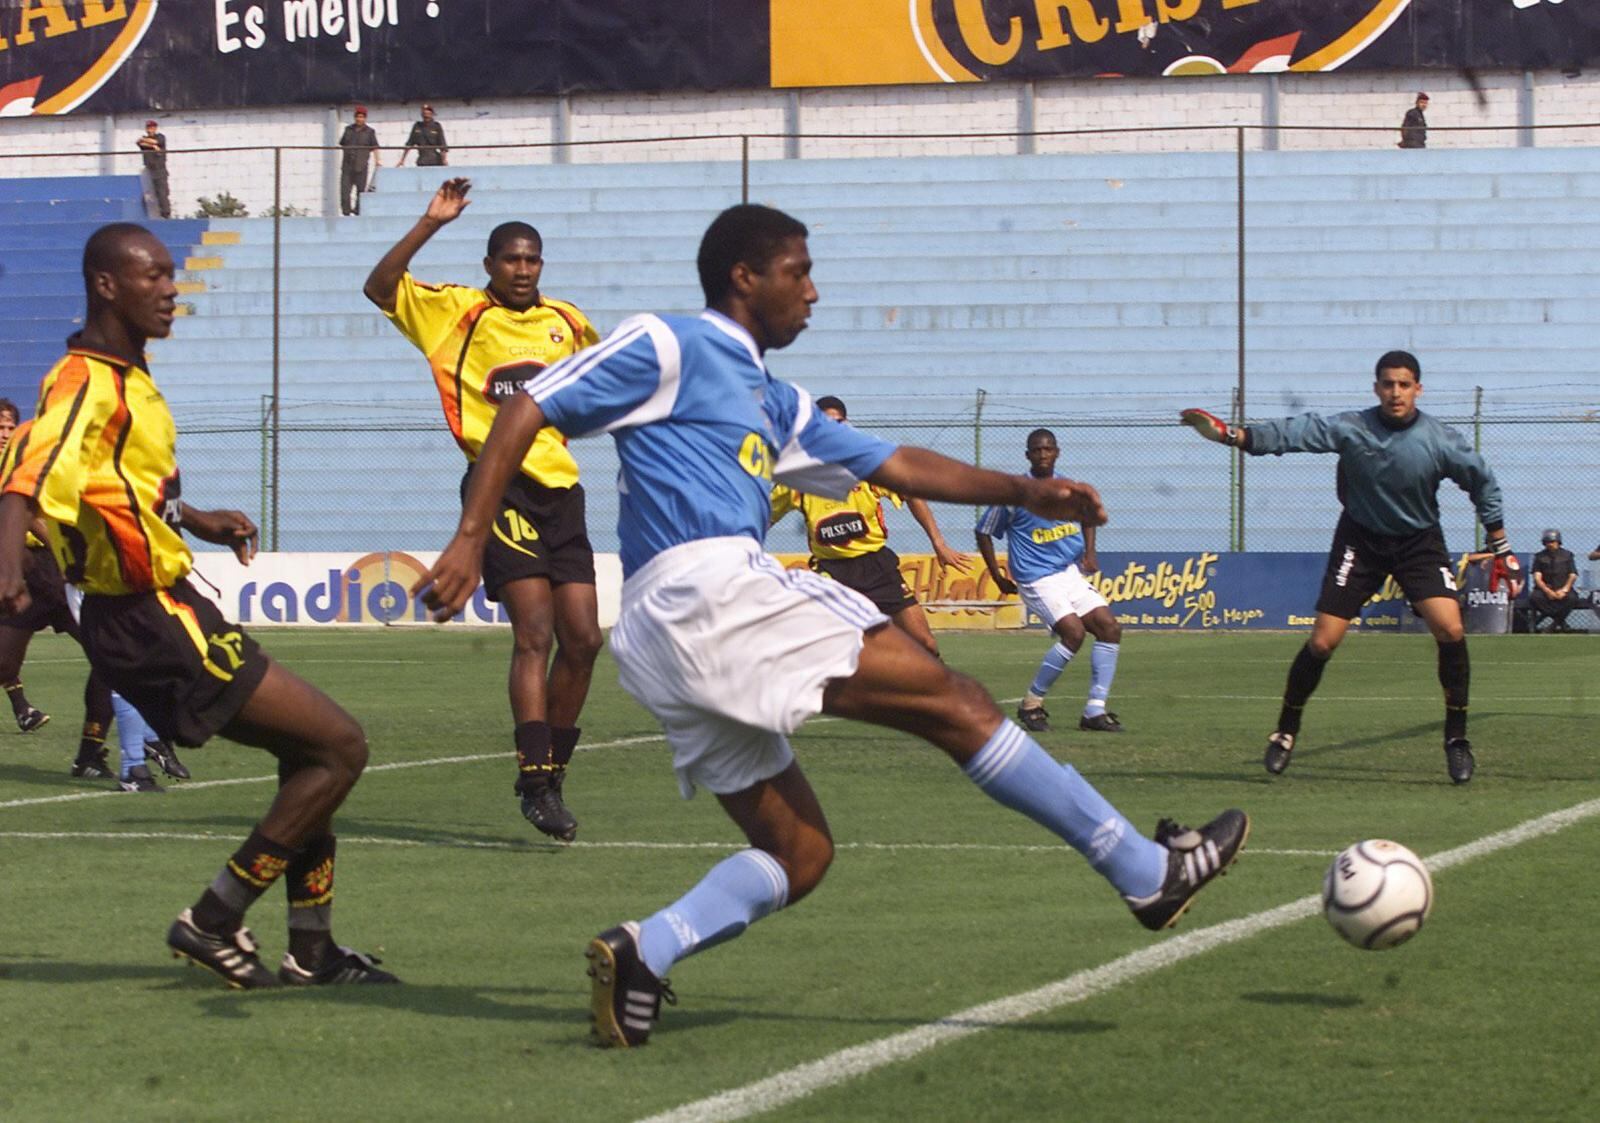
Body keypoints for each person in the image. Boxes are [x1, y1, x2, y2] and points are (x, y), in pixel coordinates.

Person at [415, 203, 1249, 1048]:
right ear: (746, 277)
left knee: (801, 852)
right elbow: (530, 408)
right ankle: (1144, 871)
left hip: (668, 636)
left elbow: (893, 463)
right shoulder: (673, 342)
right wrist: (468, 536)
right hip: (706, 590)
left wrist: (1022, 490)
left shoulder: (775, 402)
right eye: (798, 272)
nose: (813, 292)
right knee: (955, 700)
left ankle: (645, 949)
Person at [0, 223, 395, 988]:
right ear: (108, 285)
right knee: (341, 747)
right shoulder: (85, 379)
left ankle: (311, 949)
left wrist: (196, 517)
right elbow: (22, 474)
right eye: (152, 276)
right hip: (151, 617)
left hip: (160, 606)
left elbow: (121, 490)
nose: (170, 288)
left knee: (307, 757)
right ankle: (213, 917)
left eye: (172, 274)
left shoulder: (129, 377)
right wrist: (8, 567)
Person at [364, 177, 602, 841]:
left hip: (563, 490)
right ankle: (535, 780)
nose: (522, 269)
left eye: (532, 260)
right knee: (535, 630)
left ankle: (550, 771)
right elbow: (380, 286)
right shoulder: (455, 312)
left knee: (584, 638)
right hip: (500, 490)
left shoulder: (568, 322)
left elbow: (606, 388)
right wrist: (429, 222)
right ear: (490, 265)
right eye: (511, 259)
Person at [1182, 350, 1516, 784]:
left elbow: (1482, 481)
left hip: (1419, 542)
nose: (1395, 392)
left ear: (1418, 388)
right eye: (1387, 384)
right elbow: (1294, 434)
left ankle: (1456, 739)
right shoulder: (1352, 428)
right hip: (1360, 541)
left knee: (1451, 629)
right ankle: (1285, 730)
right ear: (1376, 388)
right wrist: (1236, 436)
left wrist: (1500, 543)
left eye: (1404, 384)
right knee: (1323, 641)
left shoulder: (1440, 439)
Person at [769, 395, 971, 657]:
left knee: (926, 645)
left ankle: (937, 694)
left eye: (839, 423)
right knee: (836, 651)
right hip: (833, 573)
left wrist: (939, 543)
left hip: (877, 566)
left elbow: (912, 494)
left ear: (847, 424)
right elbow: (762, 515)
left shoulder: (867, 464)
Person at [977, 428, 1125, 734]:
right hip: (1036, 577)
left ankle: (1094, 711)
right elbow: (983, 531)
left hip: (1069, 572)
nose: (1043, 455)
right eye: (1036, 450)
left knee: (1109, 627)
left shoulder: (1070, 489)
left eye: (1048, 449)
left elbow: (1088, 517)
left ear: (1057, 452)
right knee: (1073, 633)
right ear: (1027, 455)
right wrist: (996, 574)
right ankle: (1031, 704)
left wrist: (1090, 553)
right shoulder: (1014, 494)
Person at [1529, 529, 1580, 632]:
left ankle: (1553, 625)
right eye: (1547, 542)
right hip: (1545, 590)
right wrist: (1547, 591)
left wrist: (1564, 590)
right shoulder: (1539, 557)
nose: (1550, 544)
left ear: (1558, 542)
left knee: (1572, 598)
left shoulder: (1567, 555)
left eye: (1552, 542)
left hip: (1563, 589)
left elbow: (1573, 575)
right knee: (1535, 598)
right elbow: (1537, 577)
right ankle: (1561, 622)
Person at [337, 106, 380, 216]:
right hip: (347, 166)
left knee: (361, 193)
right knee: (345, 192)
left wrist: (377, 161)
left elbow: (375, 147)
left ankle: (357, 213)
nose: (359, 119)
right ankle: (346, 212)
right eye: (357, 116)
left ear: (365, 118)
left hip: (361, 166)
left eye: (361, 117)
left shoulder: (370, 132)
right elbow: (342, 144)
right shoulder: (348, 130)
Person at [136, 120, 170, 219]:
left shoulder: (160, 137)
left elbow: (157, 142)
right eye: (148, 127)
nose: (150, 129)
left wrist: (153, 143)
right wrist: (154, 146)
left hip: (159, 169)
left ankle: (165, 214)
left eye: (152, 127)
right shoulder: (144, 138)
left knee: (162, 193)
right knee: (149, 194)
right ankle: (152, 215)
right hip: (149, 170)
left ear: (155, 128)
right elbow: (139, 142)